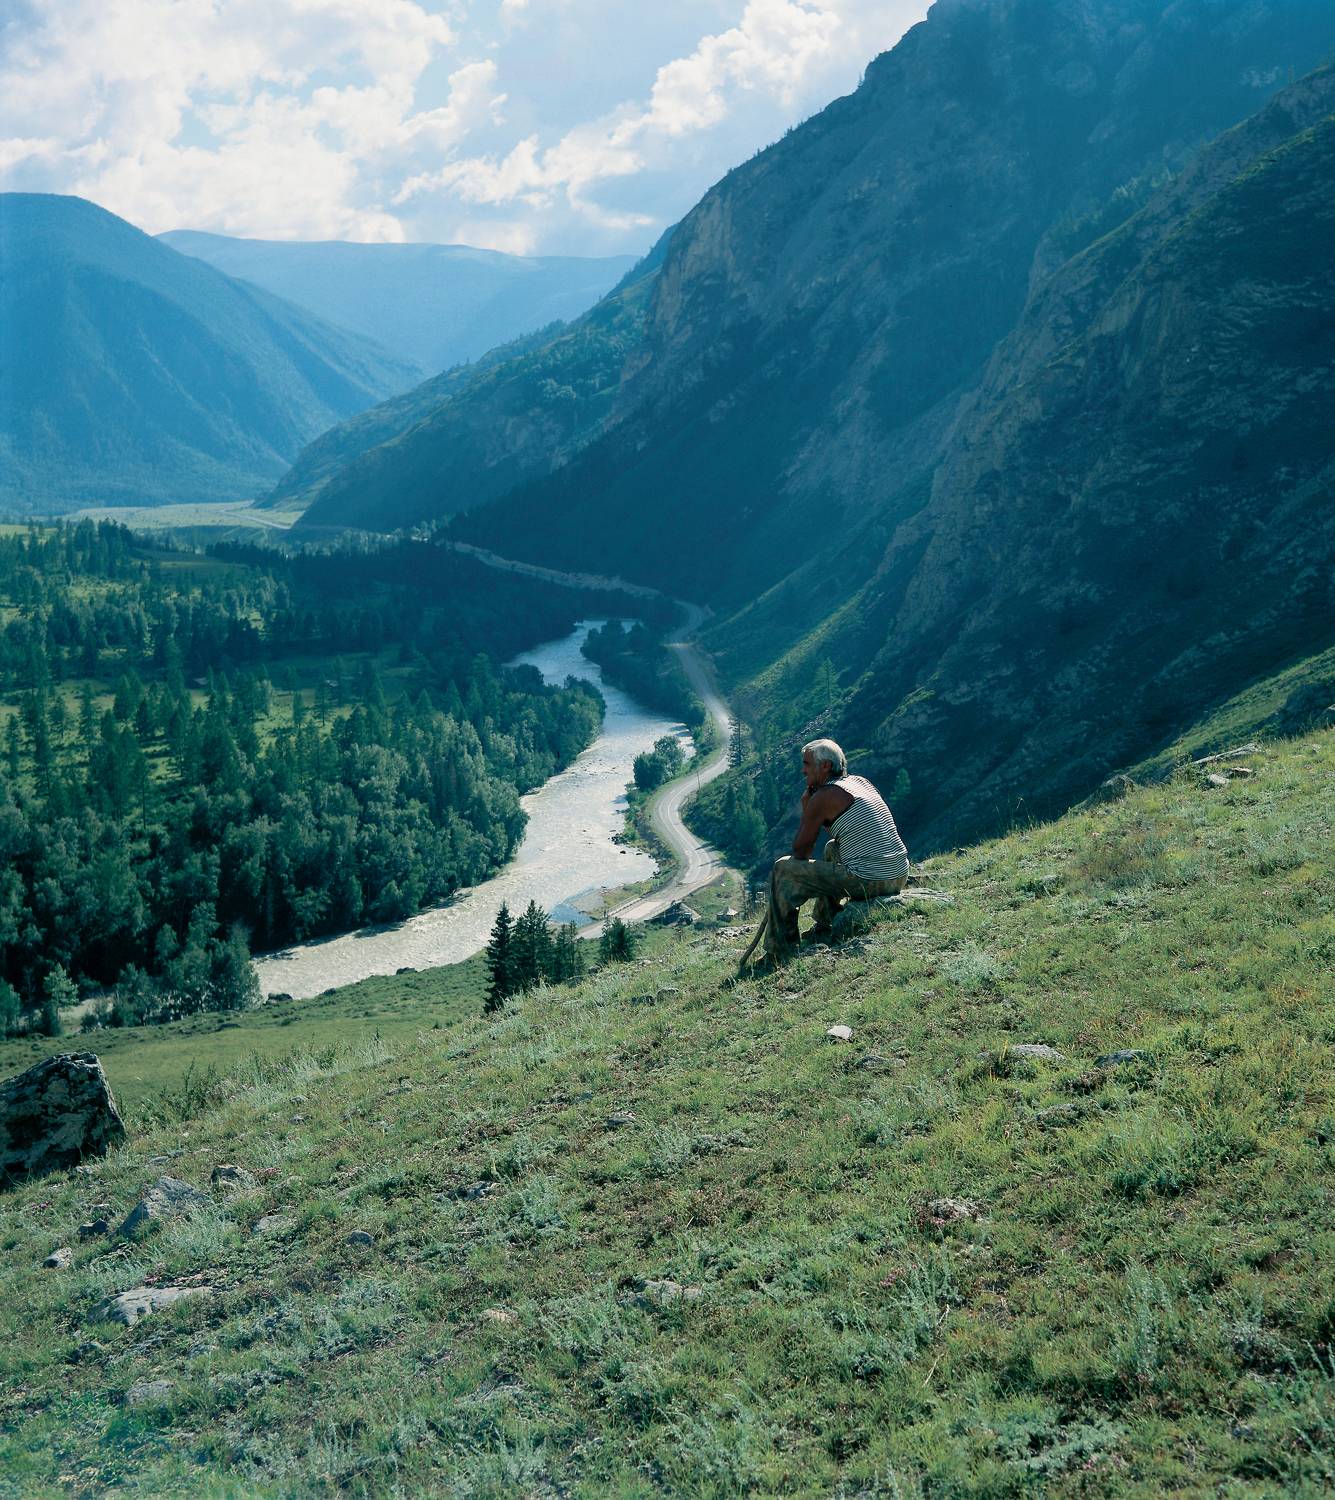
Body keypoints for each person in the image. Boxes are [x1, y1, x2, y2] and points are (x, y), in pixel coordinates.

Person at [759, 738, 909, 963]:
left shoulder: (824, 796)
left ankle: (781, 949)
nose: (803, 770)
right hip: (898, 873)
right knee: (832, 848)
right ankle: (824, 924)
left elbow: (801, 852)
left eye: (807, 764)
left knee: (783, 868)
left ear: (825, 766)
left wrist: (807, 808)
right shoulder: (861, 782)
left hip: (870, 879)